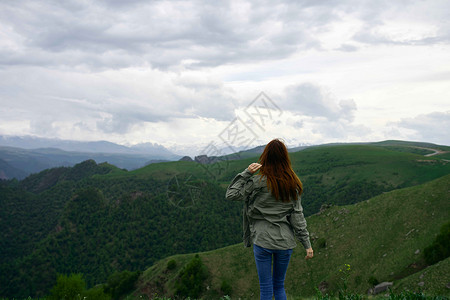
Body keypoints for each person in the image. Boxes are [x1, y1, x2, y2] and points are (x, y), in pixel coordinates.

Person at [226, 138, 313, 300]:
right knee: (279, 286)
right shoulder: (292, 185)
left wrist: (247, 173)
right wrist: (307, 244)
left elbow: (231, 194)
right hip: (285, 242)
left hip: (263, 240)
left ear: (265, 157)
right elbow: (297, 216)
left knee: (266, 288)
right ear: (285, 158)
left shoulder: (257, 182)